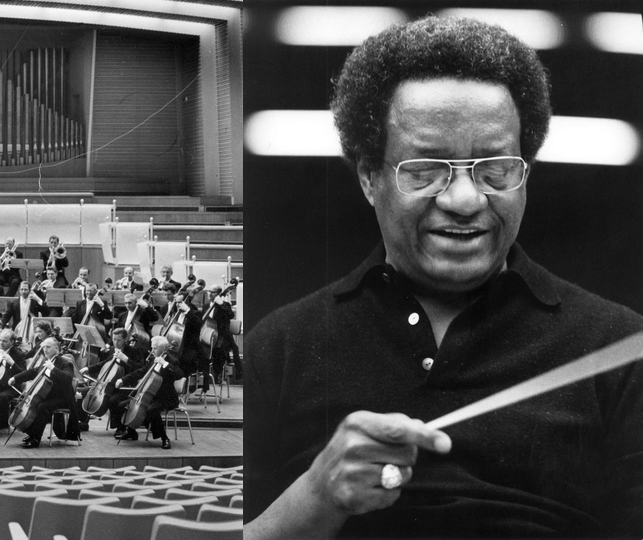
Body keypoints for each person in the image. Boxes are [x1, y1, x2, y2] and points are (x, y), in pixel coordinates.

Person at [245, 16, 643, 539]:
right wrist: (316, 496)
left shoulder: (621, 351)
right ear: (369, 177)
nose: (464, 201)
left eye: (495, 169)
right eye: (426, 168)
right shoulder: (277, 349)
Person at [7, 339, 77, 448]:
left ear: (57, 349)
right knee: (38, 404)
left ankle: (36, 439)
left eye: (48, 347)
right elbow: (33, 372)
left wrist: (53, 368)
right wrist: (15, 378)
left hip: (63, 398)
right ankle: (32, 434)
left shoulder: (65, 363)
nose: (45, 349)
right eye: (44, 347)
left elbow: (67, 378)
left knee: (43, 406)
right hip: (49, 396)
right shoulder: (47, 361)